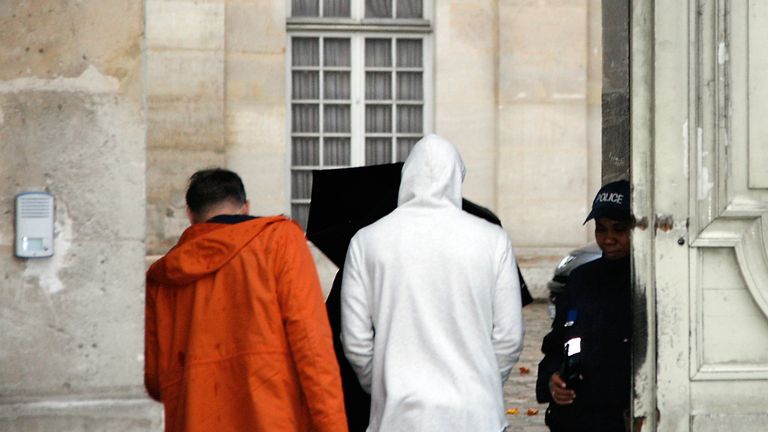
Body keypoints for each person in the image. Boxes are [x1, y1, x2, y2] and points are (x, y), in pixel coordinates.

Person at [340, 134, 525, 432]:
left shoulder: (367, 241)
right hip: (475, 413)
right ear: (457, 177)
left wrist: (386, 385)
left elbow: (355, 341)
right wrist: (485, 379)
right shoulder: (493, 240)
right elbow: (508, 337)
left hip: (399, 414)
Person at [144, 168, 348, 432]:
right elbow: (312, 347)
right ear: (246, 206)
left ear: (190, 214)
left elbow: (155, 378)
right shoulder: (280, 241)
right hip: (272, 416)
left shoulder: (163, 276)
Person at [535, 179, 633, 432]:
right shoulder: (580, 278)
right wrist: (553, 380)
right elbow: (557, 343)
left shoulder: (650, 283)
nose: (608, 238)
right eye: (601, 229)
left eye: (619, 229)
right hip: (578, 418)